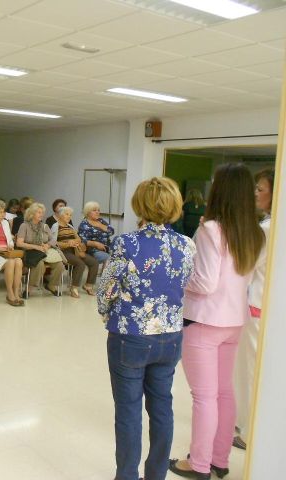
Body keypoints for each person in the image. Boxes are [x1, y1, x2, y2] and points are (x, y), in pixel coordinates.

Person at [170, 163, 265, 480]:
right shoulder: (255, 231)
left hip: (204, 321)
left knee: (204, 397)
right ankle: (219, 460)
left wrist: (179, 276)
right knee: (225, 393)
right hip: (234, 322)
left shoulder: (210, 229)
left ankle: (198, 464)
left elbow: (205, 282)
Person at [98, 176, 195, 480]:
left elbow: (106, 292)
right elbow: (184, 283)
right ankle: (156, 475)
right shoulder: (186, 244)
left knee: (128, 412)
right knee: (163, 406)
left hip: (131, 337)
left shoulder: (127, 243)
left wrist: (108, 315)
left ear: (140, 205)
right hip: (170, 337)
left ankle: (127, 475)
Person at [232, 168, 274, 451]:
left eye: (260, 189)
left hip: (257, 305)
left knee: (251, 370)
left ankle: (248, 430)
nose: (256, 193)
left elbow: (246, 264)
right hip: (265, 306)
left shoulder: (267, 229)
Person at [16, 202, 64, 297]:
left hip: (45, 251)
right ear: (32, 214)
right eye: (39, 212)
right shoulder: (24, 226)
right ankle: (29, 289)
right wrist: (36, 246)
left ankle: (51, 286)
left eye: (42, 212)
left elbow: (53, 240)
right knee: (39, 264)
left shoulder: (44, 226)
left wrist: (48, 245)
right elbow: (19, 243)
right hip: (30, 252)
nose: (41, 214)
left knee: (59, 264)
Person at [51, 206, 99, 298]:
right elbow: (53, 243)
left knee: (94, 262)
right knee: (80, 264)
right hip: (63, 251)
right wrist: (68, 243)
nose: (69, 217)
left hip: (75, 250)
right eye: (67, 214)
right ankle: (74, 288)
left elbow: (78, 239)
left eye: (70, 215)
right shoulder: (55, 226)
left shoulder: (70, 226)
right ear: (60, 215)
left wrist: (74, 242)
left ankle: (88, 285)